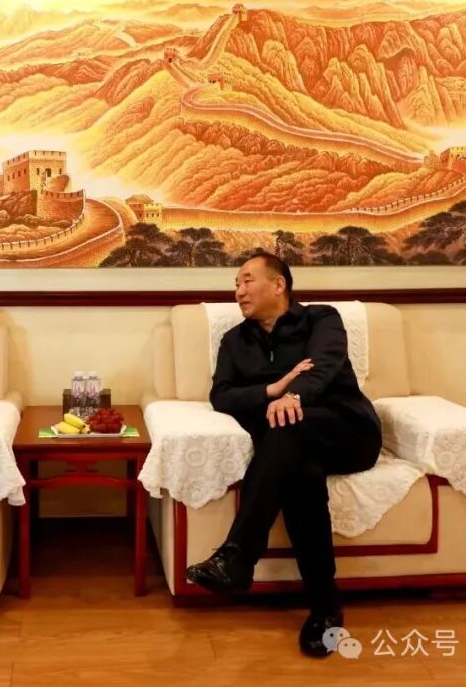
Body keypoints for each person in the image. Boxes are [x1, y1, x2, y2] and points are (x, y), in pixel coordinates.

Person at [184, 253, 382, 657]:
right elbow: (221, 395)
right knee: (299, 473)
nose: (239, 292)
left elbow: (323, 367)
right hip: (289, 447)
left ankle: (238, 557)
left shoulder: (321, 319)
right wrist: (271, 390)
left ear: (279, 285)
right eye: (236, 284)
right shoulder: (234, 341)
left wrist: (294, 396)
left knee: (287, 429)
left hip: (345, 431)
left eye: (247, 281)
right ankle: (325, 608)